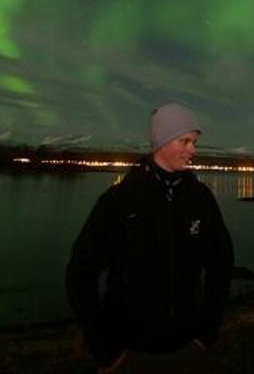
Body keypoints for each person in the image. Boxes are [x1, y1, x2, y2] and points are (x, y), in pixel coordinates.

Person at [66, 102, 234, 373]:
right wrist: (105, 348)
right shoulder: (120, 200)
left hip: (187, 347)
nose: (194, 150)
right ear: (163, 142)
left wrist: (206, 333)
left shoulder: (200, 199)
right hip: (128, 351)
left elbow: (222, 265)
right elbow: (80, 274)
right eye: (186, 141)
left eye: (195, 142)